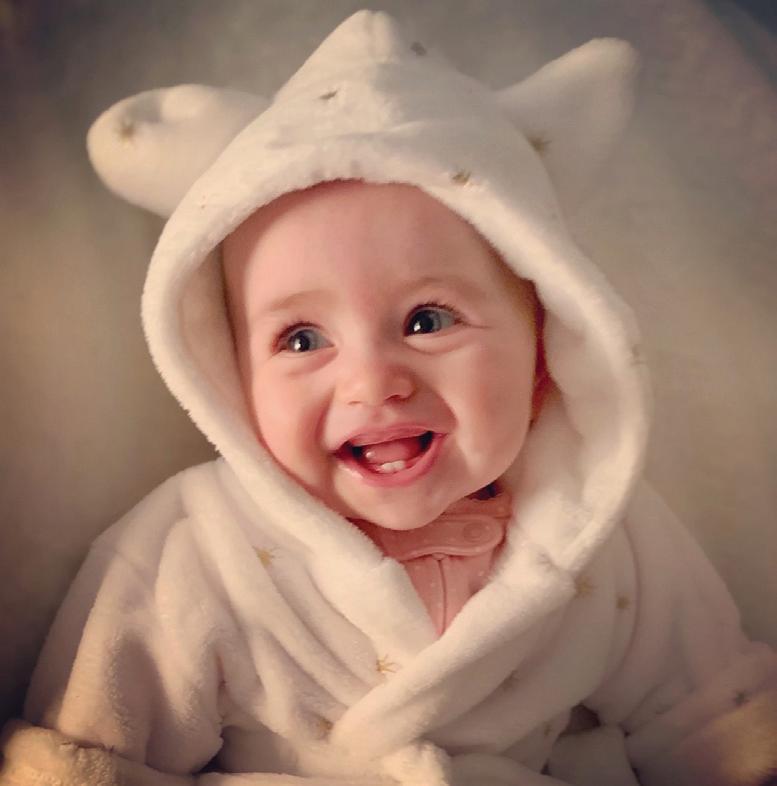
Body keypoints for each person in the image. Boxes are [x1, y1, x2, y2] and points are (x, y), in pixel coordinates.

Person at [1, 10, 775, 786]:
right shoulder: (196, 547)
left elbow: (715, 725)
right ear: (229, 378)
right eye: (301, 339)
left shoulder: (603, 531)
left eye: (427, 320)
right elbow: (94, 762)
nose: (372, 382)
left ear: (547, 348)